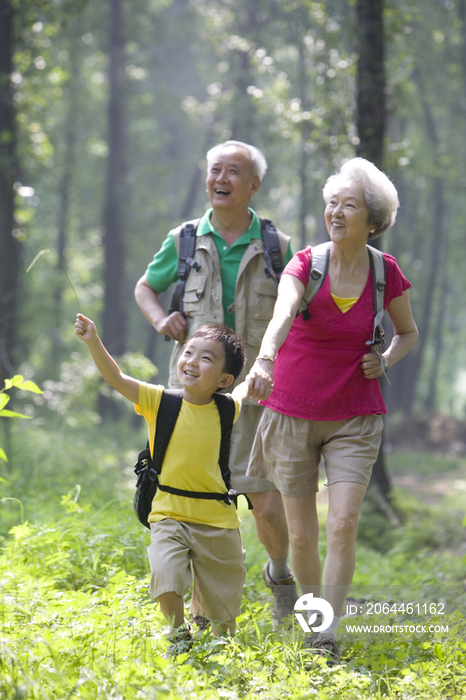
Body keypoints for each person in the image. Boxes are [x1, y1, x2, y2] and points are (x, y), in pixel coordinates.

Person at [246, 157, 419, 663]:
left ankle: (325, 637)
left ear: (374, 219)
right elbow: (281, 314)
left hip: (355, 416)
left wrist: (383, 359)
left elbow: (408, 333)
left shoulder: (385, 273)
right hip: (292, 412)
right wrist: (264, 359)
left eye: (349, 205)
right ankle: (310, 615)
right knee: (302, 534)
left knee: (341, 524)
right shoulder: (306, 264)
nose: (336, 212)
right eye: (331, 203)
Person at [134, 140, 298, 628]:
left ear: (253, 185)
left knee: (265, 501)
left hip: (256, 394)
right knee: (192, 503)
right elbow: (146, 286)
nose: (220, 178)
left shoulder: (277, 246)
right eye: (214, 170)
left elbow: (297, 314)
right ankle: (200, 613)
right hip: (193, 402)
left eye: (233, 171)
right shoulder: (185, 238)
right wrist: (161, 318)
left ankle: (280, 573)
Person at [75, 313, 251, 657]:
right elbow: (117, 378)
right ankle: (177, 633)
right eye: (189, 352)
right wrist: (93, 339)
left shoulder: (226, 408)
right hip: (169, 514)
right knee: (165, 574)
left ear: (224, 379)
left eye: (206, 358)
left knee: (224, 619)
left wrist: (258, 375)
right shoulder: (160, 401)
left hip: (218, 521)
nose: (192, 362)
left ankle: (211, 634)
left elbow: (244, 391)